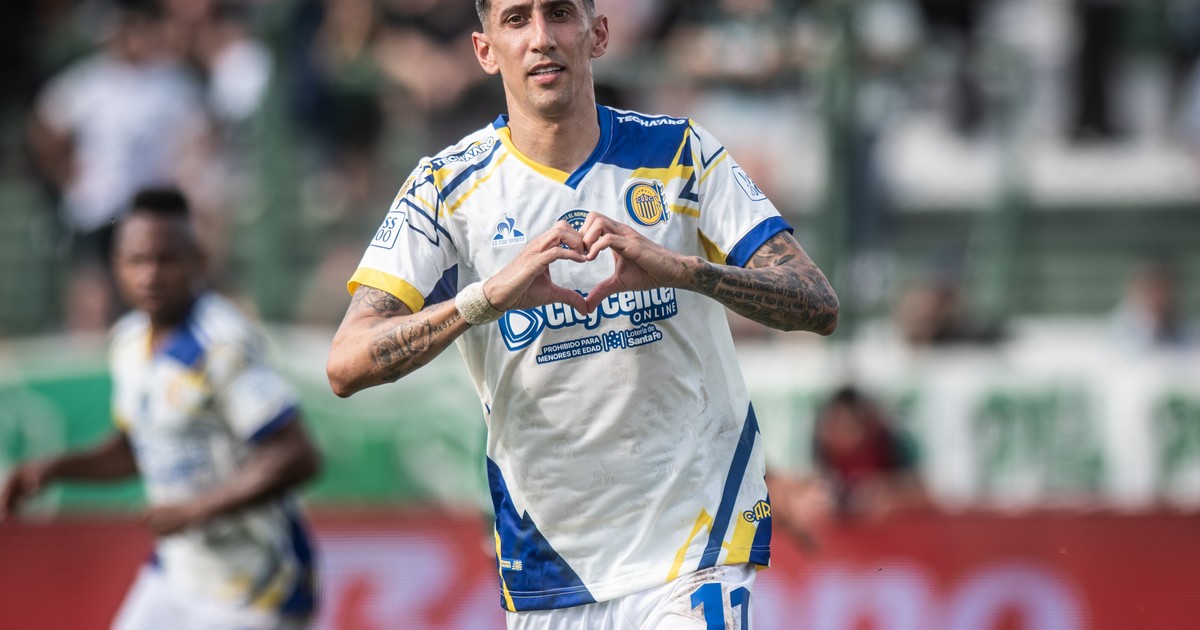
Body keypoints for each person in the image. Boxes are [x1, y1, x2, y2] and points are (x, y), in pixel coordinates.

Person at [326, 0, 839, 628]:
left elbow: (816, 302)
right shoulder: (445, 189)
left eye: (560, 13)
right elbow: (346, 363)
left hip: (694, 544)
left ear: (598, 33)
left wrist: (685, 271)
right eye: (517, 19)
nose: (541, 37)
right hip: (552, 565)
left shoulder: (682, 153)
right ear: (485, 50)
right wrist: (485, 298)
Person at [1, 188, 322, 630]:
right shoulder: (129, 341)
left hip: (255, 587)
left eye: (166, 260)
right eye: (137, 260)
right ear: (116, 265)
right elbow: (139, 446)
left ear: (198, 261)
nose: (150, 275)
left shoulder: (223, 343)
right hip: (177, 573)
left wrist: (195, 510)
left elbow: (297, 455)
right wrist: (55, 469)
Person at [27, 0, 210, 332]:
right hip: (97, 206)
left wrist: (186, 175)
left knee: (148, 281)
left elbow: (200, 133)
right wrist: (64, 174)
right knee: (93, 281)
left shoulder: (170, 83)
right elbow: (45, 126)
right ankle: (87, 342)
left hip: (147, 208)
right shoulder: (88, 81)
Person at [809, 386, 928, 520]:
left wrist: (893, 500)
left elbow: (924, 494)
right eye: (830, 426)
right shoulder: (823, 447)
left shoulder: (892, 444)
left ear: (867, 426)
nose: (837, 435)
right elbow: (809, 488)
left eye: (847, 426)